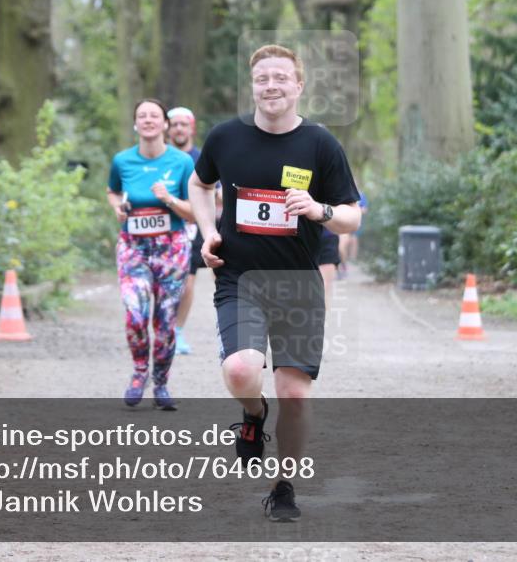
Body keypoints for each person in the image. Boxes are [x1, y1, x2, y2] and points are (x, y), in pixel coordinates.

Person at [188, 44, 361, 522]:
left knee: (296, 394)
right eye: (263, 78)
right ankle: (252, 414)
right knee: (242, 371)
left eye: (281, 78)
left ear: (299, 85)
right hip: (240, 277)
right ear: (254, 86)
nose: (271, 86)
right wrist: (208, 231)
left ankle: (284, 487)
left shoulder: (321, 145)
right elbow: (199, 184)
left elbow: (350, 215)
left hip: (298, 283)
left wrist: (320, 211)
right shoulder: (226, 138)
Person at [107, 99, 195, 410]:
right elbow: (113, 191)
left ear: (165, 125)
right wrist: (118, 207)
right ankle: (139, 371)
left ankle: (161, 383)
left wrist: (169, 199)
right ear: (135, 124)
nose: (148, 120)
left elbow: (195, 212)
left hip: (171, 247)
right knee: (135, 314)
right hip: (133, 246)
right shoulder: (121, 160)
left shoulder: (182, 162)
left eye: (154, 115)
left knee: (165, 322)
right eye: (141, 115)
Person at [166, 106, 200, 355]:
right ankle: (160, 329)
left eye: (183, 124)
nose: (178, 128)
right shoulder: (159, 157)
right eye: (174, 124)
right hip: (161, 227)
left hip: (190, 228)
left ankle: (177, 331)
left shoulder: (201, 157)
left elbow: (218, 193)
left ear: (191, 128)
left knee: (186, 282)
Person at [337, 188, 367, 278]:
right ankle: (341, 266)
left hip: (352, 223)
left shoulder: (361, 195)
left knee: (348, 243)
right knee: (340, 247)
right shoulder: (339, 192)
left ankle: (350, 261)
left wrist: (355, 212)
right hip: (337, 224)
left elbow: (365, 209)